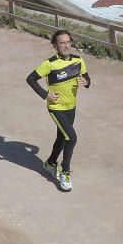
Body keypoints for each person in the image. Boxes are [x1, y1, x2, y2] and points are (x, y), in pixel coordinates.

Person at [26, 29, 91, 191]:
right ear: (55, 46)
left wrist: (86, 82)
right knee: (72, 137)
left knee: (63, 138)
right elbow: (31, 79)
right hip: (57, 108)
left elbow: (87, 78)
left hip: (71, 107)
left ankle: (50, 163)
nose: (66, 45)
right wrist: (45, 95)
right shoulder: (49, 64)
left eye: (68, 42)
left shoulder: (78, 60)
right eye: (62, 43)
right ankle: (65, 171)